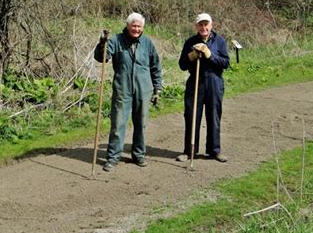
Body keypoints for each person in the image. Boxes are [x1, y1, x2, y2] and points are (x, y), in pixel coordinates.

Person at [94, 12, 162, 172]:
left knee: (141, 123)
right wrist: (102, 44)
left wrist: (157, 88)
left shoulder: (147, 43)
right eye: (134, 26)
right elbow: (101, 57)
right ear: (128, 25)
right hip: (122, 89)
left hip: (144, 90)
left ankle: (139, 155)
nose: (136, 29)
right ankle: (112, 158)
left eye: (139, 26)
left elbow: (155, 67)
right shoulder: (116, 40)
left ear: (142, 27)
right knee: (118, 124)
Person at [177, 13, 230, 163]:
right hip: (195, 82)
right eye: (201, 24)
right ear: (196, 26)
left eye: (206, 24)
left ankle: (214, 151)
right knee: (192, 116)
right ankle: (189, 151)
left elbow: (226, 63)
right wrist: (192, 56)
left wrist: (209, 54)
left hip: (214, 82)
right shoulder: (190, 42)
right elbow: (182, 65)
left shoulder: (219, 41)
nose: (204, 27)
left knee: (213, 116)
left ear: (211, 25)